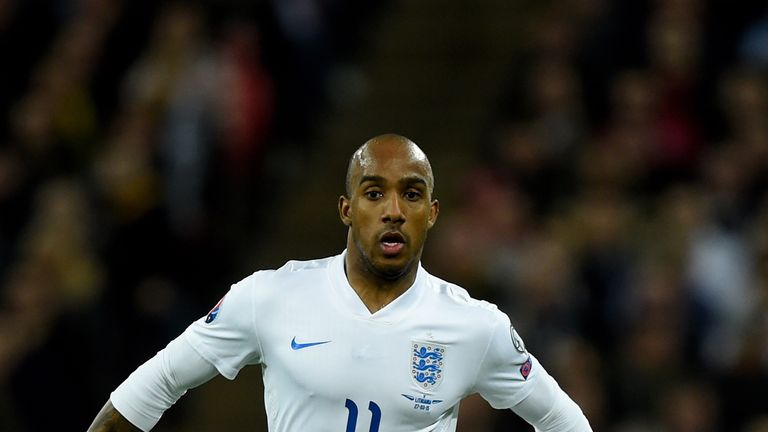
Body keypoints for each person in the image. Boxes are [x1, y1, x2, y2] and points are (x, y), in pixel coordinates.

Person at [88, 134, 592, 431]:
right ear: (347, 210)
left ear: (432, 214)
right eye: (375, 193)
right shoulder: (269, 298)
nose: (393, 211)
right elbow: (152, 387)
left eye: (412, 195)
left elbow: (565, 423)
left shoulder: (476, 327)